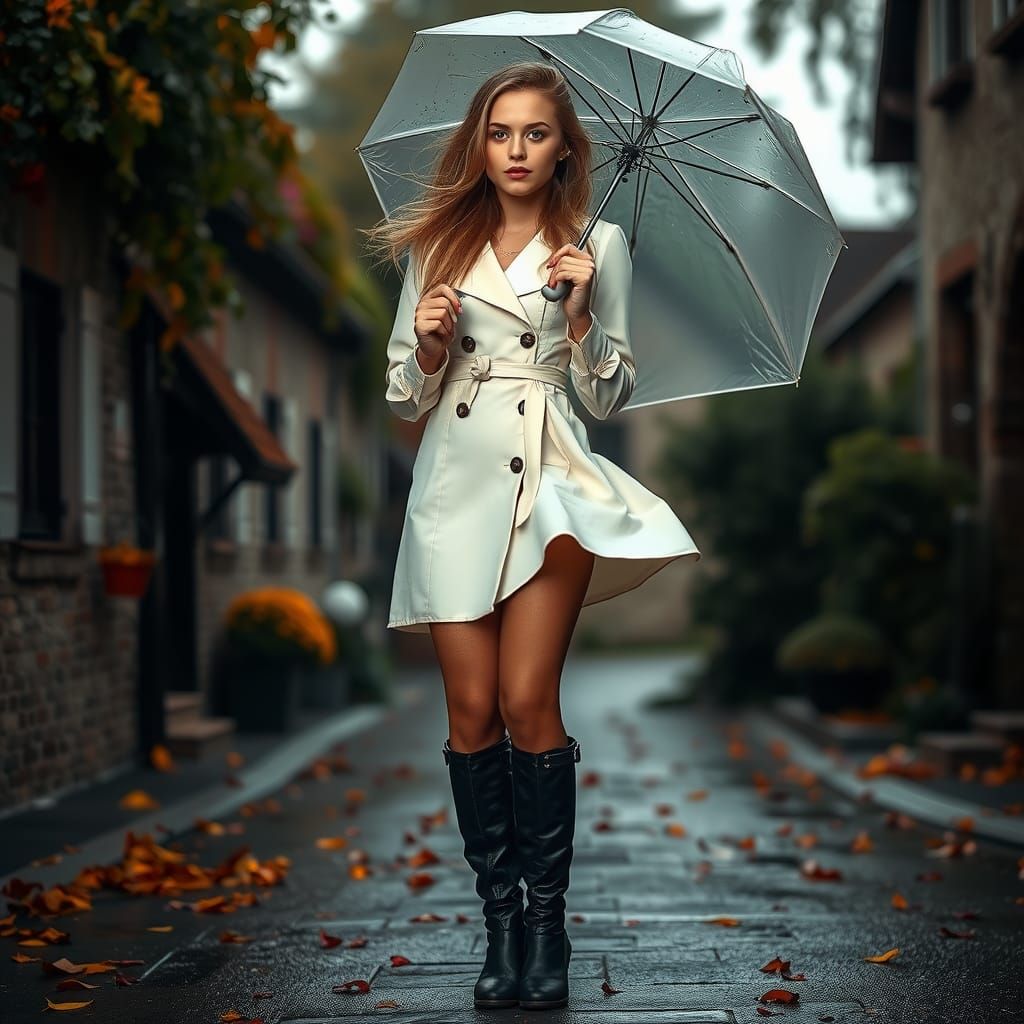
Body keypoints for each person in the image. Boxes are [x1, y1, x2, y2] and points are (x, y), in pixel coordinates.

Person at [364, 62, 701, 1011]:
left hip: (551, 482)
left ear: (564, 149)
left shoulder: (598, 243)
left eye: (536, 133)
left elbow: (608, 393)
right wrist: (430, 345)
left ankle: (547, 925)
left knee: (525, 701)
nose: (516, 150)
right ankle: (502, 926)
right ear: (479, 143)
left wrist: (585, 314)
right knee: (470, 715)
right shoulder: (435, 245)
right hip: (455, 485)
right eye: (500, 132)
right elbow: (403, 395)